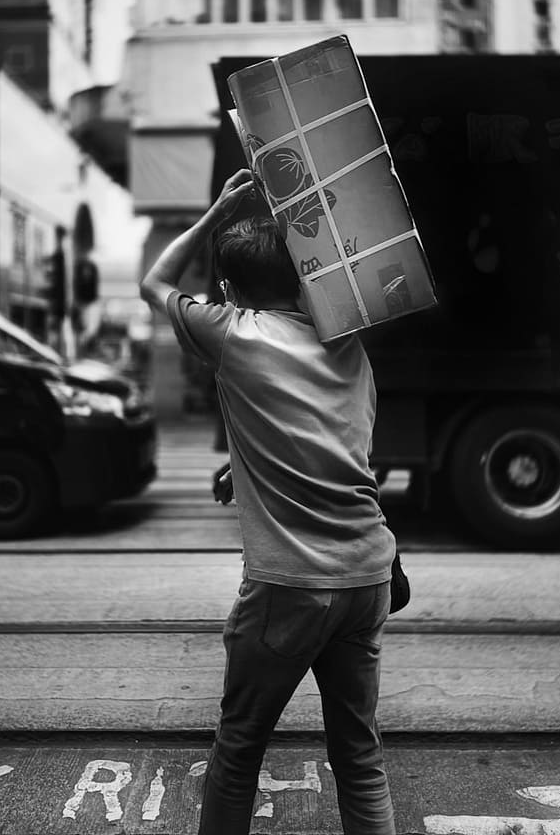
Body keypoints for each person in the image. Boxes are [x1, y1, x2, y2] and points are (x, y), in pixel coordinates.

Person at [140, 168, 398, 835]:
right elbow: (341, 449)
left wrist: (213, 213)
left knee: (239, 750)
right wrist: (244, 461)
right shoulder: (349, 344)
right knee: (360, 756)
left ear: (228, 290)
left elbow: (154, 283)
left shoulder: (233, 334)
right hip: (368, 573)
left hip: (290, 585)